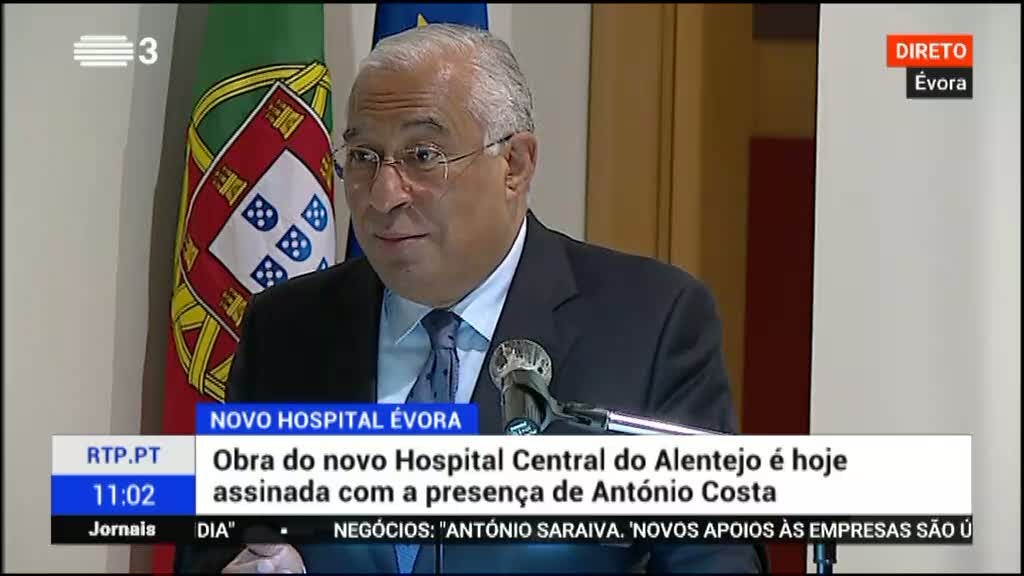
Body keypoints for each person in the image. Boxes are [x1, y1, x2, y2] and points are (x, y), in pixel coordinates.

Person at [177, 23, 765, 574]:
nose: (382, 195)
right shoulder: (287, 328)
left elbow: (716, 558)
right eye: (362, 158)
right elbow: (209, 546)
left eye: (423, 156)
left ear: (515, 164)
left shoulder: (649, 323)